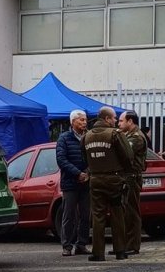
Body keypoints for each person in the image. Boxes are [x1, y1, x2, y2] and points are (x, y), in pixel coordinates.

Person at [82, 106, 133, 262]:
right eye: (113, 118)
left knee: (98, 216)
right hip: (114, 179)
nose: (116, 121)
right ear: (106, 119)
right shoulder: (115, 135)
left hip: (96, 180)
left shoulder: (87, 136)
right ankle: (120, 250)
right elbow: (128, 156)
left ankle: (98, 252)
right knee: (117, 215)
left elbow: (84, 158)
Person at [55, 109, 90, 257]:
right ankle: (67, 245)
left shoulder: (89, 137)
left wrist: (87, 173)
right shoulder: (64, 138)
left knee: (85, 215)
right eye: (81, 120)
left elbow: (93, 157)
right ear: (73, 122)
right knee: (69, 215)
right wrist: (78, 173)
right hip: (70, 183)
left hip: (86, 182)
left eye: (85, 119)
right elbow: (61, 160)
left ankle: (81, 244)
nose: (84, 122)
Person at [120, 110, 147, 256]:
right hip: (126, 176)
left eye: (121, 121)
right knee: (125, 212)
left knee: (132, 212)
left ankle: (132, 245)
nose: (119, 124)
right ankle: (124, 244)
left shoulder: (136, 137)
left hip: (132, 177)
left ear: (130, 121)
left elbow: (124, 152)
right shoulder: (127, 135)